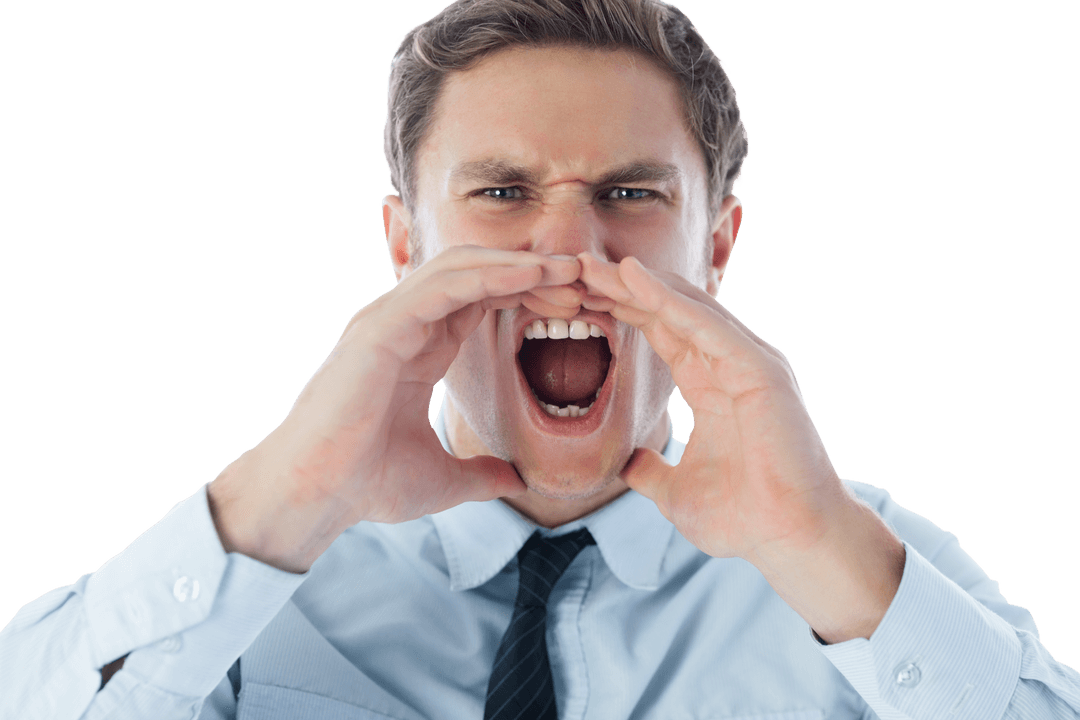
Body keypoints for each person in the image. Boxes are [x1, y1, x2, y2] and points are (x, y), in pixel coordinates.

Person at [1, 0, 1077, 718]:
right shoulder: (257, 584)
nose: (568, 256)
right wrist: (278, 503)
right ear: (406, 248)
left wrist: (822, 550)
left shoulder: (863, 568)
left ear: (714, 248)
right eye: (502, 193)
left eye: (631, 193)